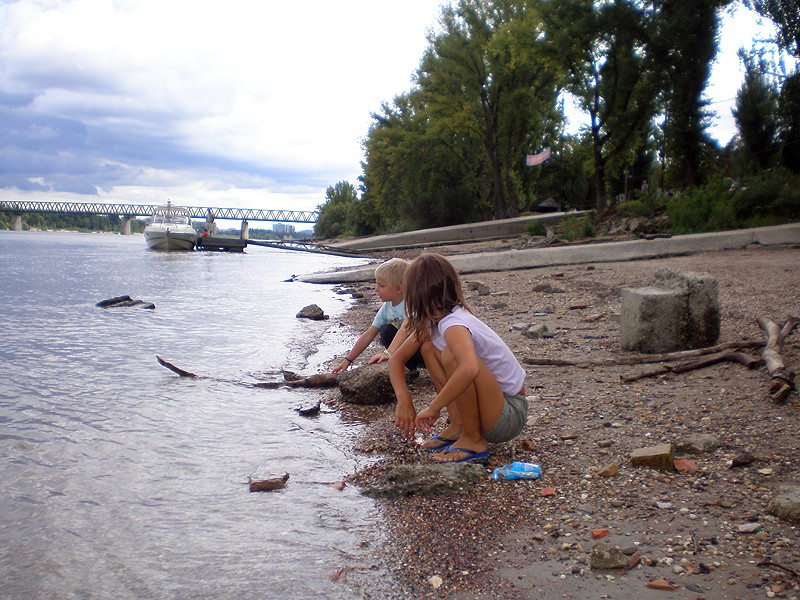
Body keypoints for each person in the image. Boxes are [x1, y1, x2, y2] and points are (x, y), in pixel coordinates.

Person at [387, 253, 528, 463]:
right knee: (428, 347)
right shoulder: (433, 321)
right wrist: (404, 400)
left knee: (452, 356)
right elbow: (395, 360)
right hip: (494, 406)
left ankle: (473, 439)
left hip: (509, 413)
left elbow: (469, 368)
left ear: (415, 294)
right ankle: (459, 425)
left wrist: (433, 407)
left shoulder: (453, 324)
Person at [331, 258, 423, 374]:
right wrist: (348, 360)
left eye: (381, 285)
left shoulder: (412, 304)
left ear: (399, 288)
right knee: (386, 330)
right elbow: (369, 334)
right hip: (407, 350)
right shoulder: (387, 307)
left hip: (422, 349)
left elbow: (405, 330)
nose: (376, 289)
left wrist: (388, 353)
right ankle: (411, 368)